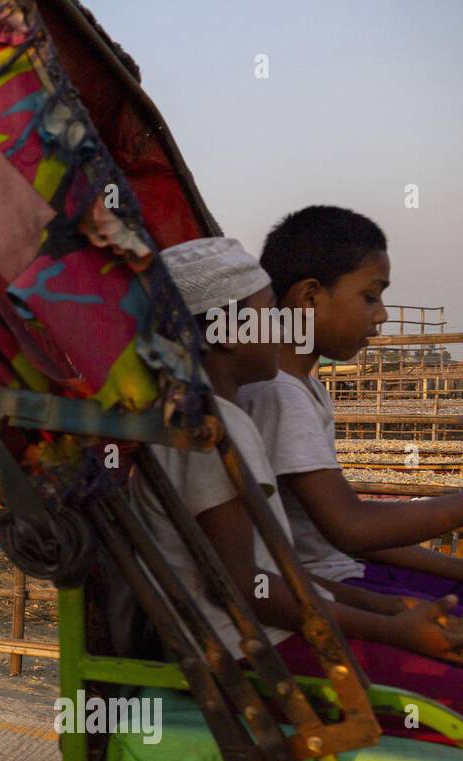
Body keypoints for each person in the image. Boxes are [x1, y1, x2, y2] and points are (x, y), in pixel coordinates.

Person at [130, 237, 463, 731]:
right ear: (223, 332)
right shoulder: (208, 430)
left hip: (275, 635)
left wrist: (387, 609)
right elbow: (246, 588)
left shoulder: (221, 419)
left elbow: (272, 571)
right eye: (270, 314)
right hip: (259, 654)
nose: (284, 329)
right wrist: (391, 631)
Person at [240, 205, 463, 607]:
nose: (381, 315)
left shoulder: (306, 389)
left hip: (340, 572)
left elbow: (349, 526)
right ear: (309, 296)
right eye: (370, 296)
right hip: (322, 591)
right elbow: (352, 529)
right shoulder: (280, 396)